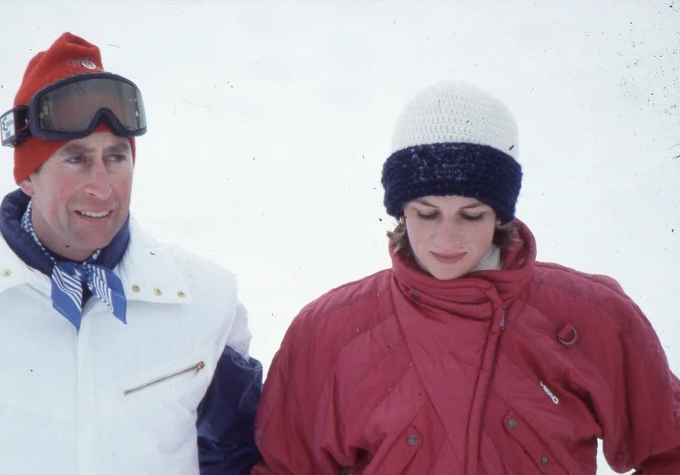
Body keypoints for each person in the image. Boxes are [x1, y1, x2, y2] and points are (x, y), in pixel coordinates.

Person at [0, 32, 262, 475]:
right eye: (75, 159)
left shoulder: (206, 301)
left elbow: (238, 456)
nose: (101, 187)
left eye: (116, 157)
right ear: (28, 176)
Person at [252, 80, 680, 474]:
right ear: (400, 211)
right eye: (426, 213)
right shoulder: (327, 332)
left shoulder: (592, 316)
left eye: (471, 215)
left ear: (500, 214)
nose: (446, 239)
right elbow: (285, 467)